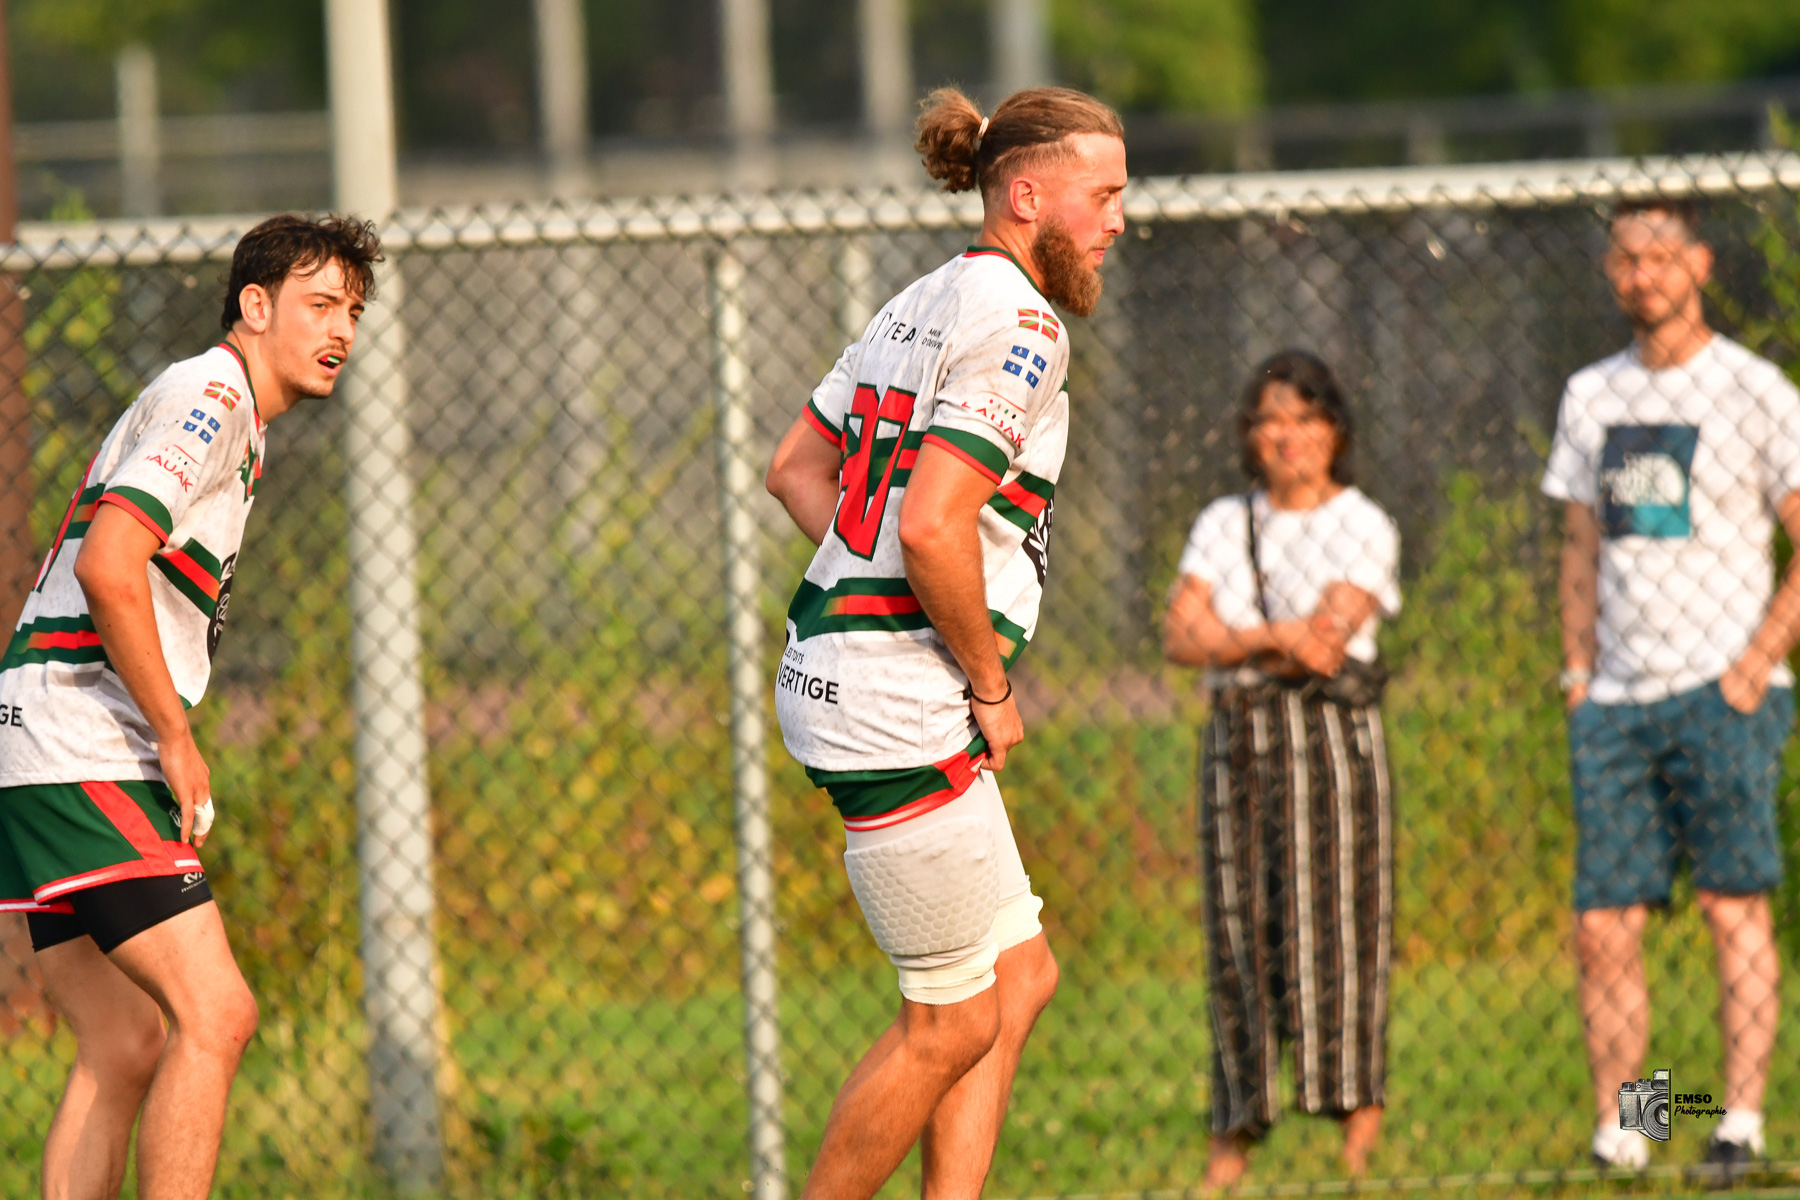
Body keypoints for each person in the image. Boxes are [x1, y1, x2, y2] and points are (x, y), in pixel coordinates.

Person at [764, 85, 1125, 1198]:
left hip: (851, 669)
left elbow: (797, 469)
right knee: (951, 1020)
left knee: (1018, 980)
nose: (1119, 218)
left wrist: (877, 581)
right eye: (1103, 194)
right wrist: (988, 676)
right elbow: (930, 521)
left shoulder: (920, 299)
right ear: (1027, 195)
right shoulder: (1023, 322)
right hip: (895, 699)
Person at [0, 214, 380, 1198]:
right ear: (254, 307)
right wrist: (175, 736)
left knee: (124, 1042)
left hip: (39, 736)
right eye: (319, 304)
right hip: (81, 734)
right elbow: (110, 561)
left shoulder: (226, 414)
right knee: (217, 1012)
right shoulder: (211, 397)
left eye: (353, 310)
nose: (341, 328)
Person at [1544, 198, 1800, 1172]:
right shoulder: (1591, 395)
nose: (1642, 275)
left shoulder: (1754, 391)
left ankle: (1737, 1124)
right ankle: (1637, 1129)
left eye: (1660, 256)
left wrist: (1752, 666)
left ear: (1697, 264)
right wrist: (1578, 673)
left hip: (1723, 691)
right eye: (1625, 259)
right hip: (1615, 699)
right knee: (1608, 926)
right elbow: (1577, 548)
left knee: (1734, 907)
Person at [1163, 351, 1401, 1187]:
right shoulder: (1223, 522)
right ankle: (1238, 1123)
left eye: (1303, 419)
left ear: (1333, 430)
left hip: (1330, 745)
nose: (1286, 436)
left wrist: (1236, 639)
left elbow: (1329, 642)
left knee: (1338, 923)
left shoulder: (1364, 523)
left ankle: (1357, 1120)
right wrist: (1270, 638)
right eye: (1270, 419)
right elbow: (1177, 635)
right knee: (1237, 933)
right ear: (1248, 434)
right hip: (1236, 744)